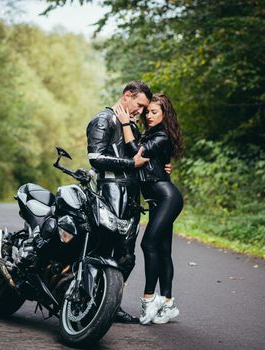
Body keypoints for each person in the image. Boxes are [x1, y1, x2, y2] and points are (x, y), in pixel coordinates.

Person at [114, 93, 184, 325]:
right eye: (148, 112)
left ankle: (148, 299)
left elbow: (137, 154)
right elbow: (152, 160)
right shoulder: (152, 134)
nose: (149, 116)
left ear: (165, 114)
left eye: (155, 112)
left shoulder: (161, 135)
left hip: (167, 197)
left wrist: (125, 123)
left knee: (148, 244)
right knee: (163, 251)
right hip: (157, 200)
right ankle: (168, 304)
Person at [86, 80, 152, 323]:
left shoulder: (131, 126)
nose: (141, 111)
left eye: (145, 108)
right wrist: (130, 164)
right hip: (108, 194)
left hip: (132, 200)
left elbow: (141, 158)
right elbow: (95, 157)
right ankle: (88, 301)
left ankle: (110, 305)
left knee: (127, 258)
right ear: (127, 95)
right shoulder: (103, 119)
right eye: (140, 105)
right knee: (101, 250)